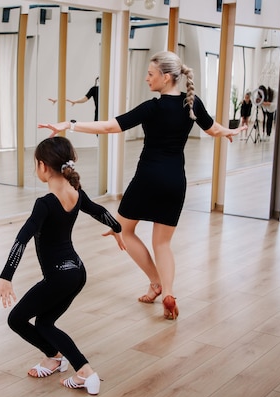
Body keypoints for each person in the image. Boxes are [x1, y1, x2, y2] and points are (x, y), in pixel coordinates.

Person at [38, 51, 245, 320]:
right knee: (163, 244)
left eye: (150, 73)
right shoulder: (191, 104)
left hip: (147, 177)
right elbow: (214, 129)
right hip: (175, 181)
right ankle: (168, 292)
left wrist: (70, 124)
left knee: (122, 230)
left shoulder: (153, 107)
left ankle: (155, 282)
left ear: (166, 76)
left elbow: (110, 127)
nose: (146, 78)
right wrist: (229, 131)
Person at [0, 136, 125, 395]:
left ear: (43, 166)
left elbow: (22, 237)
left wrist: (5, 277)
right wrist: (117, 228)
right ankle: (55, 358)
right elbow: (99, 210)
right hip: (77, 272)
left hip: (58, 278)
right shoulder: (76, 193)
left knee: (17, 319)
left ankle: (85, 372)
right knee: (45, 323)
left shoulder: (45, 204)